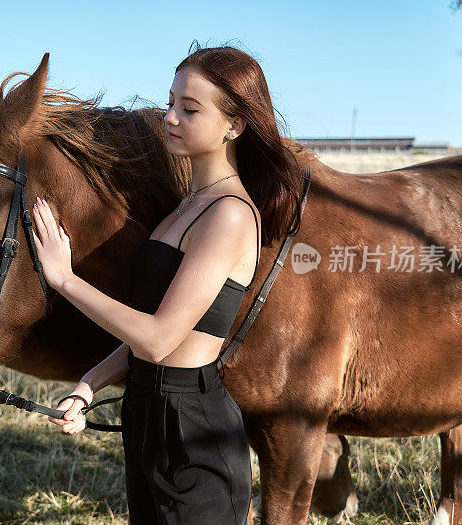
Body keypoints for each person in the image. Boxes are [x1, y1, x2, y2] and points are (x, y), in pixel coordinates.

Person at [31, 43, 304, 524]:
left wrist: (64, 278)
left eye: (190, 109)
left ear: (233, 126)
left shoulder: (231, 216)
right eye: (171, 102)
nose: (171, 117)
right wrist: (89, 385)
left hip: (192, 427)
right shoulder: (185, 207)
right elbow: (152, 331)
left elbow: (158, 339)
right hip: (146, 414)